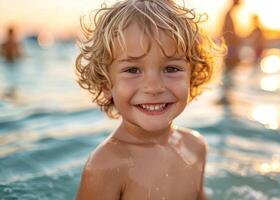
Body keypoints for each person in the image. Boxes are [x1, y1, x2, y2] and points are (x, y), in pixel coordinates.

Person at [74, 0, 223, 199]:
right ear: (106, 84)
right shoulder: (106, 165)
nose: (153, 87)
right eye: (132, 70)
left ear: (192, 76)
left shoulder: (195, 146)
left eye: (171, 69)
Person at [217, 0, 241, 104]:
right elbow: (228, 33)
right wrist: (233, 49)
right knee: (228, 71)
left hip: (229, 47)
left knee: (229, 71)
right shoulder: (228, 14)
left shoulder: (228, 14)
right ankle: (225, 97)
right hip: (230, 48)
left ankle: (226, 96)